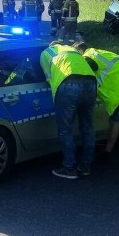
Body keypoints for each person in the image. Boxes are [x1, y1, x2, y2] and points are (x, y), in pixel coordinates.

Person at [74, 42, 119, 171]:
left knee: (115, 121)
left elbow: (87, 77)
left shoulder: (87, 57)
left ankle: (106, 154)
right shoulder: (98, 51)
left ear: (80, 51)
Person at [40, 42, 98, 179]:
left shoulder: (46, 53)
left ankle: (69, 168)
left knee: (66, 129)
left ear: (50, 46)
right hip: (90, 83)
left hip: (68, 83)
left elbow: (48, 78)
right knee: (88, 127)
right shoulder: (73, 50)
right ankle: (85, 166)